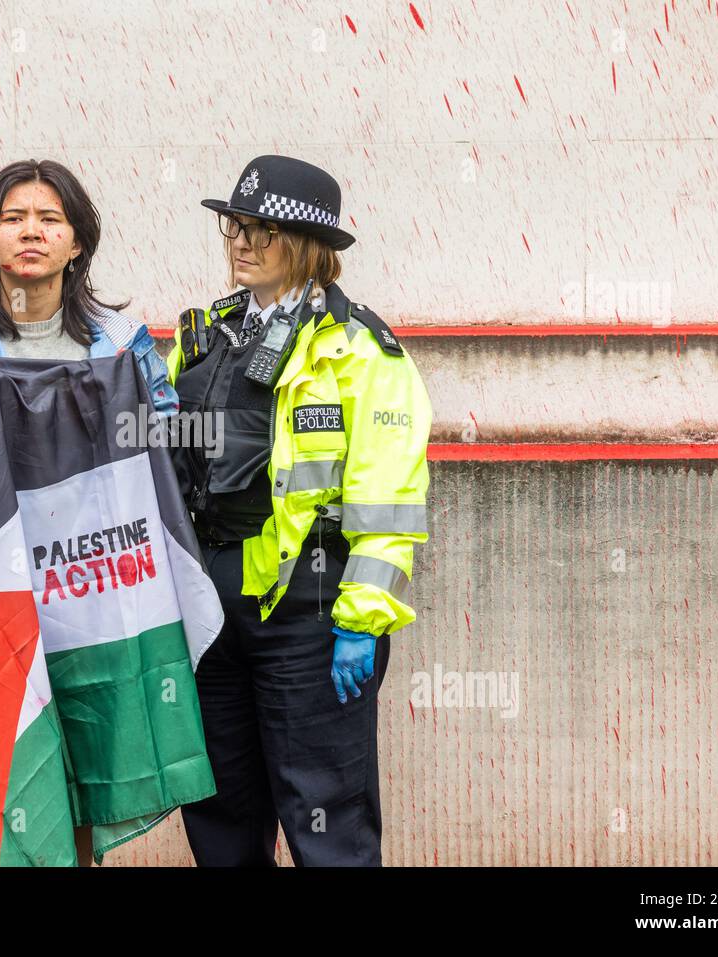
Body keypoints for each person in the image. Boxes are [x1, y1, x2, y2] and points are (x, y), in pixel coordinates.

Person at [0, 158, 177, 866]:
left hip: (94, 617)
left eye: (50, 218)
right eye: (13, 218)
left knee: (79, 805)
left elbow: (160, 472)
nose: (31, 232)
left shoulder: (123, 346)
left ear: (79, 242)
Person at [166, 155, 432, 866]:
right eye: (235, 226)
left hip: (311, 615)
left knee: (327, 821)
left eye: (264, 229)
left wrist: (360, 619)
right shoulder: (200, 337)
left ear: (309, 244)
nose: (242, 242)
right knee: (219, 814)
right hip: (209, 609)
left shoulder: (360, 351)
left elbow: (390, 497)